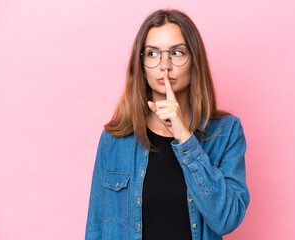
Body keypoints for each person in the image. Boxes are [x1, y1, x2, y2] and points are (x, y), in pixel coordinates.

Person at [85, 9, 250, 240]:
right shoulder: (114, 139)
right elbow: (96, 229)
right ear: (140, 64)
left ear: (195, 60)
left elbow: (227, 220)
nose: (165, 65)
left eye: (177, 52)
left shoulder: (226, 132)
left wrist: (185, 139)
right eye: (153, 54)